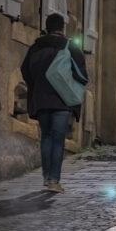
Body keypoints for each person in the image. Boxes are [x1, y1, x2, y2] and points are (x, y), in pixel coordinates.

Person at [20, 13, 89, 193]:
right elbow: (82, 74)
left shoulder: (35, 47)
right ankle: (54, 180)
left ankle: (46, 177)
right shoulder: (69, 46)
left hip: (42, 100)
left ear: (47, 27)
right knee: (58, 140)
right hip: (62, 100)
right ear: (62, 28)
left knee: (46, 138)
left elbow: (25, 71)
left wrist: (37, 86)